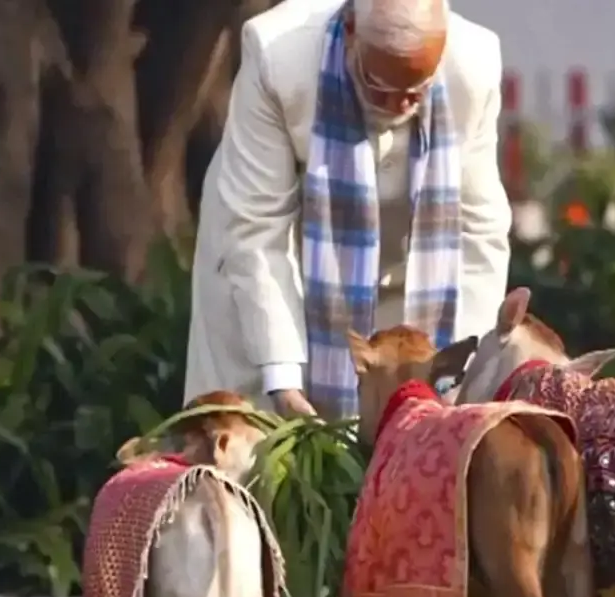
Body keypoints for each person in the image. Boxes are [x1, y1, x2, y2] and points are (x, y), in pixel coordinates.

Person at [184, 0, 511, 420]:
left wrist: (463, 368)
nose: (402, 106)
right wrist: (283, 377)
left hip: (412, 280)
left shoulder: (474, 63)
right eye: (382, 89)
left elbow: (479, 228)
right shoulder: (278, 55)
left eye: (418, 91)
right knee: (261, 447)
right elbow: (256, 227)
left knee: (411, 436)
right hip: (269, 277)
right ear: (352, 32)